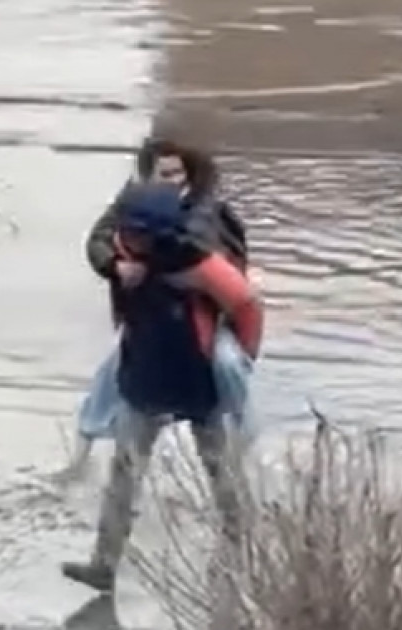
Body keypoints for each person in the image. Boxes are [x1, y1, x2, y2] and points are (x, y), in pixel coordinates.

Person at [61, 181, 265, 592]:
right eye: (127, 232)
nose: (129, 240)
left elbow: (245, 304)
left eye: (138, 235)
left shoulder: (199, 265)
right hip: (143, 380)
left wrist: (242, 358)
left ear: (160, 234)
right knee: (124, 475)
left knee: (221, 472)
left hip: (199, 381)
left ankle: (241, 556)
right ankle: (103, 566)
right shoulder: (120, 251)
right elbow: (98, 247)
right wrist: (119, 269)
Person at [58, 138, 254, 481]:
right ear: (148, 175)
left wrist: (167, 264)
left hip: (205, 327)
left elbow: (240, 295)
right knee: (108, 382)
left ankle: (246, 438)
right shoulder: (131, 207)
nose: (171, 180)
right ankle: (80, 459)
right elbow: (98, 241)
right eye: (163, 173)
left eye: (177, 173)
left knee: (229, 367)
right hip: (148, 340)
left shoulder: (203, 210)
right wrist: (116, 265)